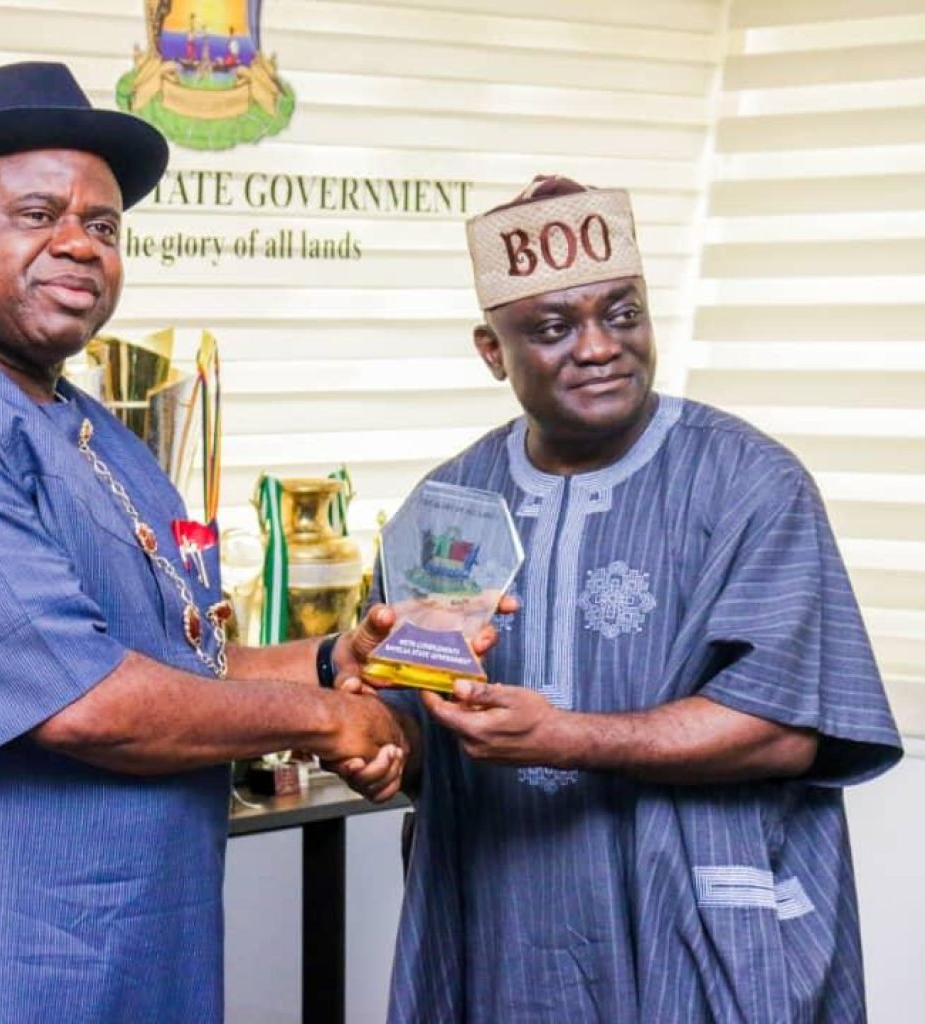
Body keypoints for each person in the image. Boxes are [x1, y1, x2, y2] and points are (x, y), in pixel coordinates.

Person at [0, 61, 407, 1022]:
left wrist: (334, 661)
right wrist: (325, 720)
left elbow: (182, 657)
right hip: (6, 969)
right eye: (37, 213)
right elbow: (82, 700)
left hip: (150, 953)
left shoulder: (100, 432)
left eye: (103, 226)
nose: (78, 244)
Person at [341, 176, 903, 1022]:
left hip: (697, 925)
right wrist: (383, 746)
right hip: (502, 926)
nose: (601, 347)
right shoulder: (450, 504)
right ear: (492, 351)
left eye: (624, 314)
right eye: (554, 328)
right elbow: (422, 717)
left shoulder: (750, 483)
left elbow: (787, 730)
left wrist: (566, 737)